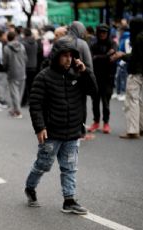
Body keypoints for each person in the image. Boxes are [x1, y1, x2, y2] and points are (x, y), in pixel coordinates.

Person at [24, 36, 97, 214]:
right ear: (56, 56)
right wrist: (40, 127)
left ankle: (69, 200)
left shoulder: (77, 74)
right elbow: (35, 105)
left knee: (70, 168)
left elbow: (94, 92)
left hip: (73, 132)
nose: (68, 59)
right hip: (52, 133)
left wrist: (85, 72)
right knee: (43, 165)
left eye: (71, 55)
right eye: (64, 55)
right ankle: (30, 187)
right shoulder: (43, 77)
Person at [112, 18, 143, 139]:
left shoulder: (139, 38)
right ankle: (140, 127)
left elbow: (135, 57)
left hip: (136, 72)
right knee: (140, 101)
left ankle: (132, 130)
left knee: (132, 101)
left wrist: (122, 55)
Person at [88, 24, 118, 134]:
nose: (102, 34)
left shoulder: (112, 43)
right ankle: (96, 122)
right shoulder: (93, 44)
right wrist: (105, 56)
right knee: (95, 101)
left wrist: (98, 57)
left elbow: (112, 56)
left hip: (108, 77)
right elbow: (91, 58)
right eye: (100, 32)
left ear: (108, 33)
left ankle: (106, 123)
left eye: (104, 32)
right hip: (95, 77)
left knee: (106, 102)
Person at [3, 31, 27, 118]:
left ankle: (18, 111)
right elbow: (25, 58)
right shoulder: (22, 46)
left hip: (12, 72)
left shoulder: (6, 48)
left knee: (14, 93)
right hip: (22, 71)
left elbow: (5, 62)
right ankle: (15, 109)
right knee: (19, 93)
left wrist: (6, 69)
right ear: (15, 37)